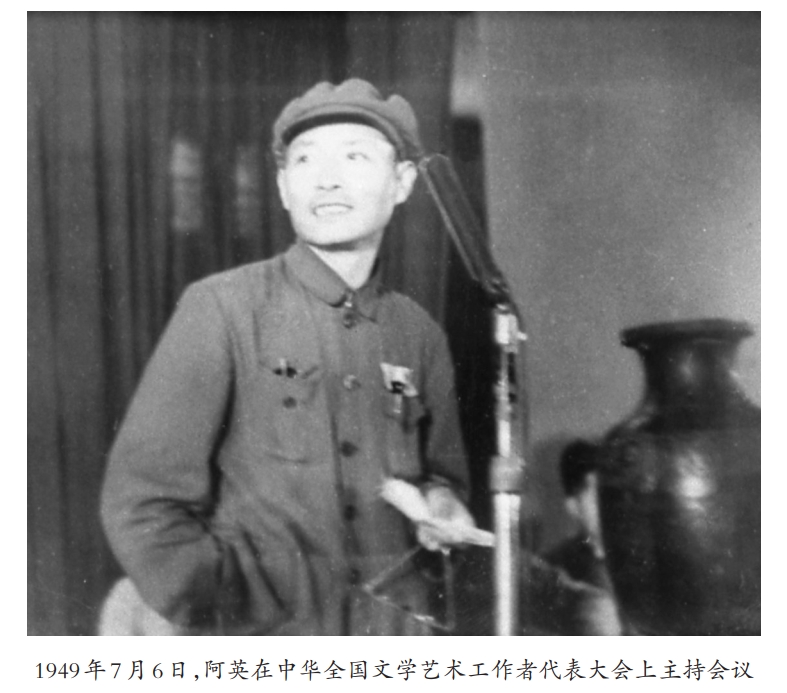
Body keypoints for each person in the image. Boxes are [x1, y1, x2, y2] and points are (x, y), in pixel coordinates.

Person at [100, 78, 475, 636]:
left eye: (354, 156)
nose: (327, 178)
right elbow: (142, 503)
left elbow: (442, 477)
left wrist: (443, 504)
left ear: (402, 182)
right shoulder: (222, 307)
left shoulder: (419, 334)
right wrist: (223, 610)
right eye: (305, 160)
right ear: (281, 187)